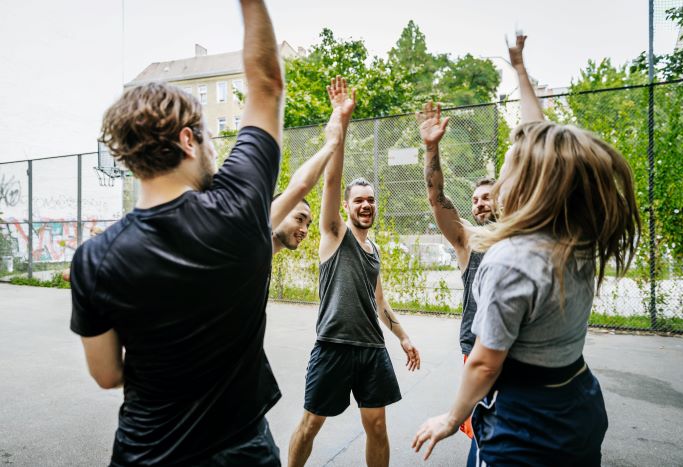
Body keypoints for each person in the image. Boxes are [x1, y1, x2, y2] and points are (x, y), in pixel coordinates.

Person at [69, 1, 286, 465]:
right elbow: (266, 86)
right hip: (240, 451)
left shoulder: (94, 260)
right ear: (188, 140)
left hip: (146, 453)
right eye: (208, 136)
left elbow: (107, 375)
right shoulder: (240, 206)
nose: (213, 147)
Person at [412, 34, 640, 466]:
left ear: (529, 187)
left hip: (521, 411)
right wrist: (519, 70)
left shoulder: (510, 257)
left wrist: (451, 417)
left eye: (509, 167)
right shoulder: (578, 233)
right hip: (575, 395)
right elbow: (542, 143)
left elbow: (484, 365)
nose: (498, 181)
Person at [287, 80, 421, 467]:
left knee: (377, 426)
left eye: (371, 200)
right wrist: (340, 120)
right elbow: (331, 178)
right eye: (358, 200)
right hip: (333, 346)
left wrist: (404, 336)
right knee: (311, 424)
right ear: (346, 207)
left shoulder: (373, 249)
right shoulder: (333, 235)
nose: (366, 205)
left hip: (372, 349)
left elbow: (380, 303)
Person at [416, 104, 497, 439]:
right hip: (478, 347)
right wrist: (431, 148)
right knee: (482, 431)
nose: (478, 203)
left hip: (518, 349)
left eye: (486, 198)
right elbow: (437, 198)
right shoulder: (469, 238)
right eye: (475, 199)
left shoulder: (519, 238)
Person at [270, 76, 351, 255]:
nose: (304, 230)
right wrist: (332, 143)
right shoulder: (251, 242)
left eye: (307, 224)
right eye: (299, 219)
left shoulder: (263, 259)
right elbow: (302, 185)